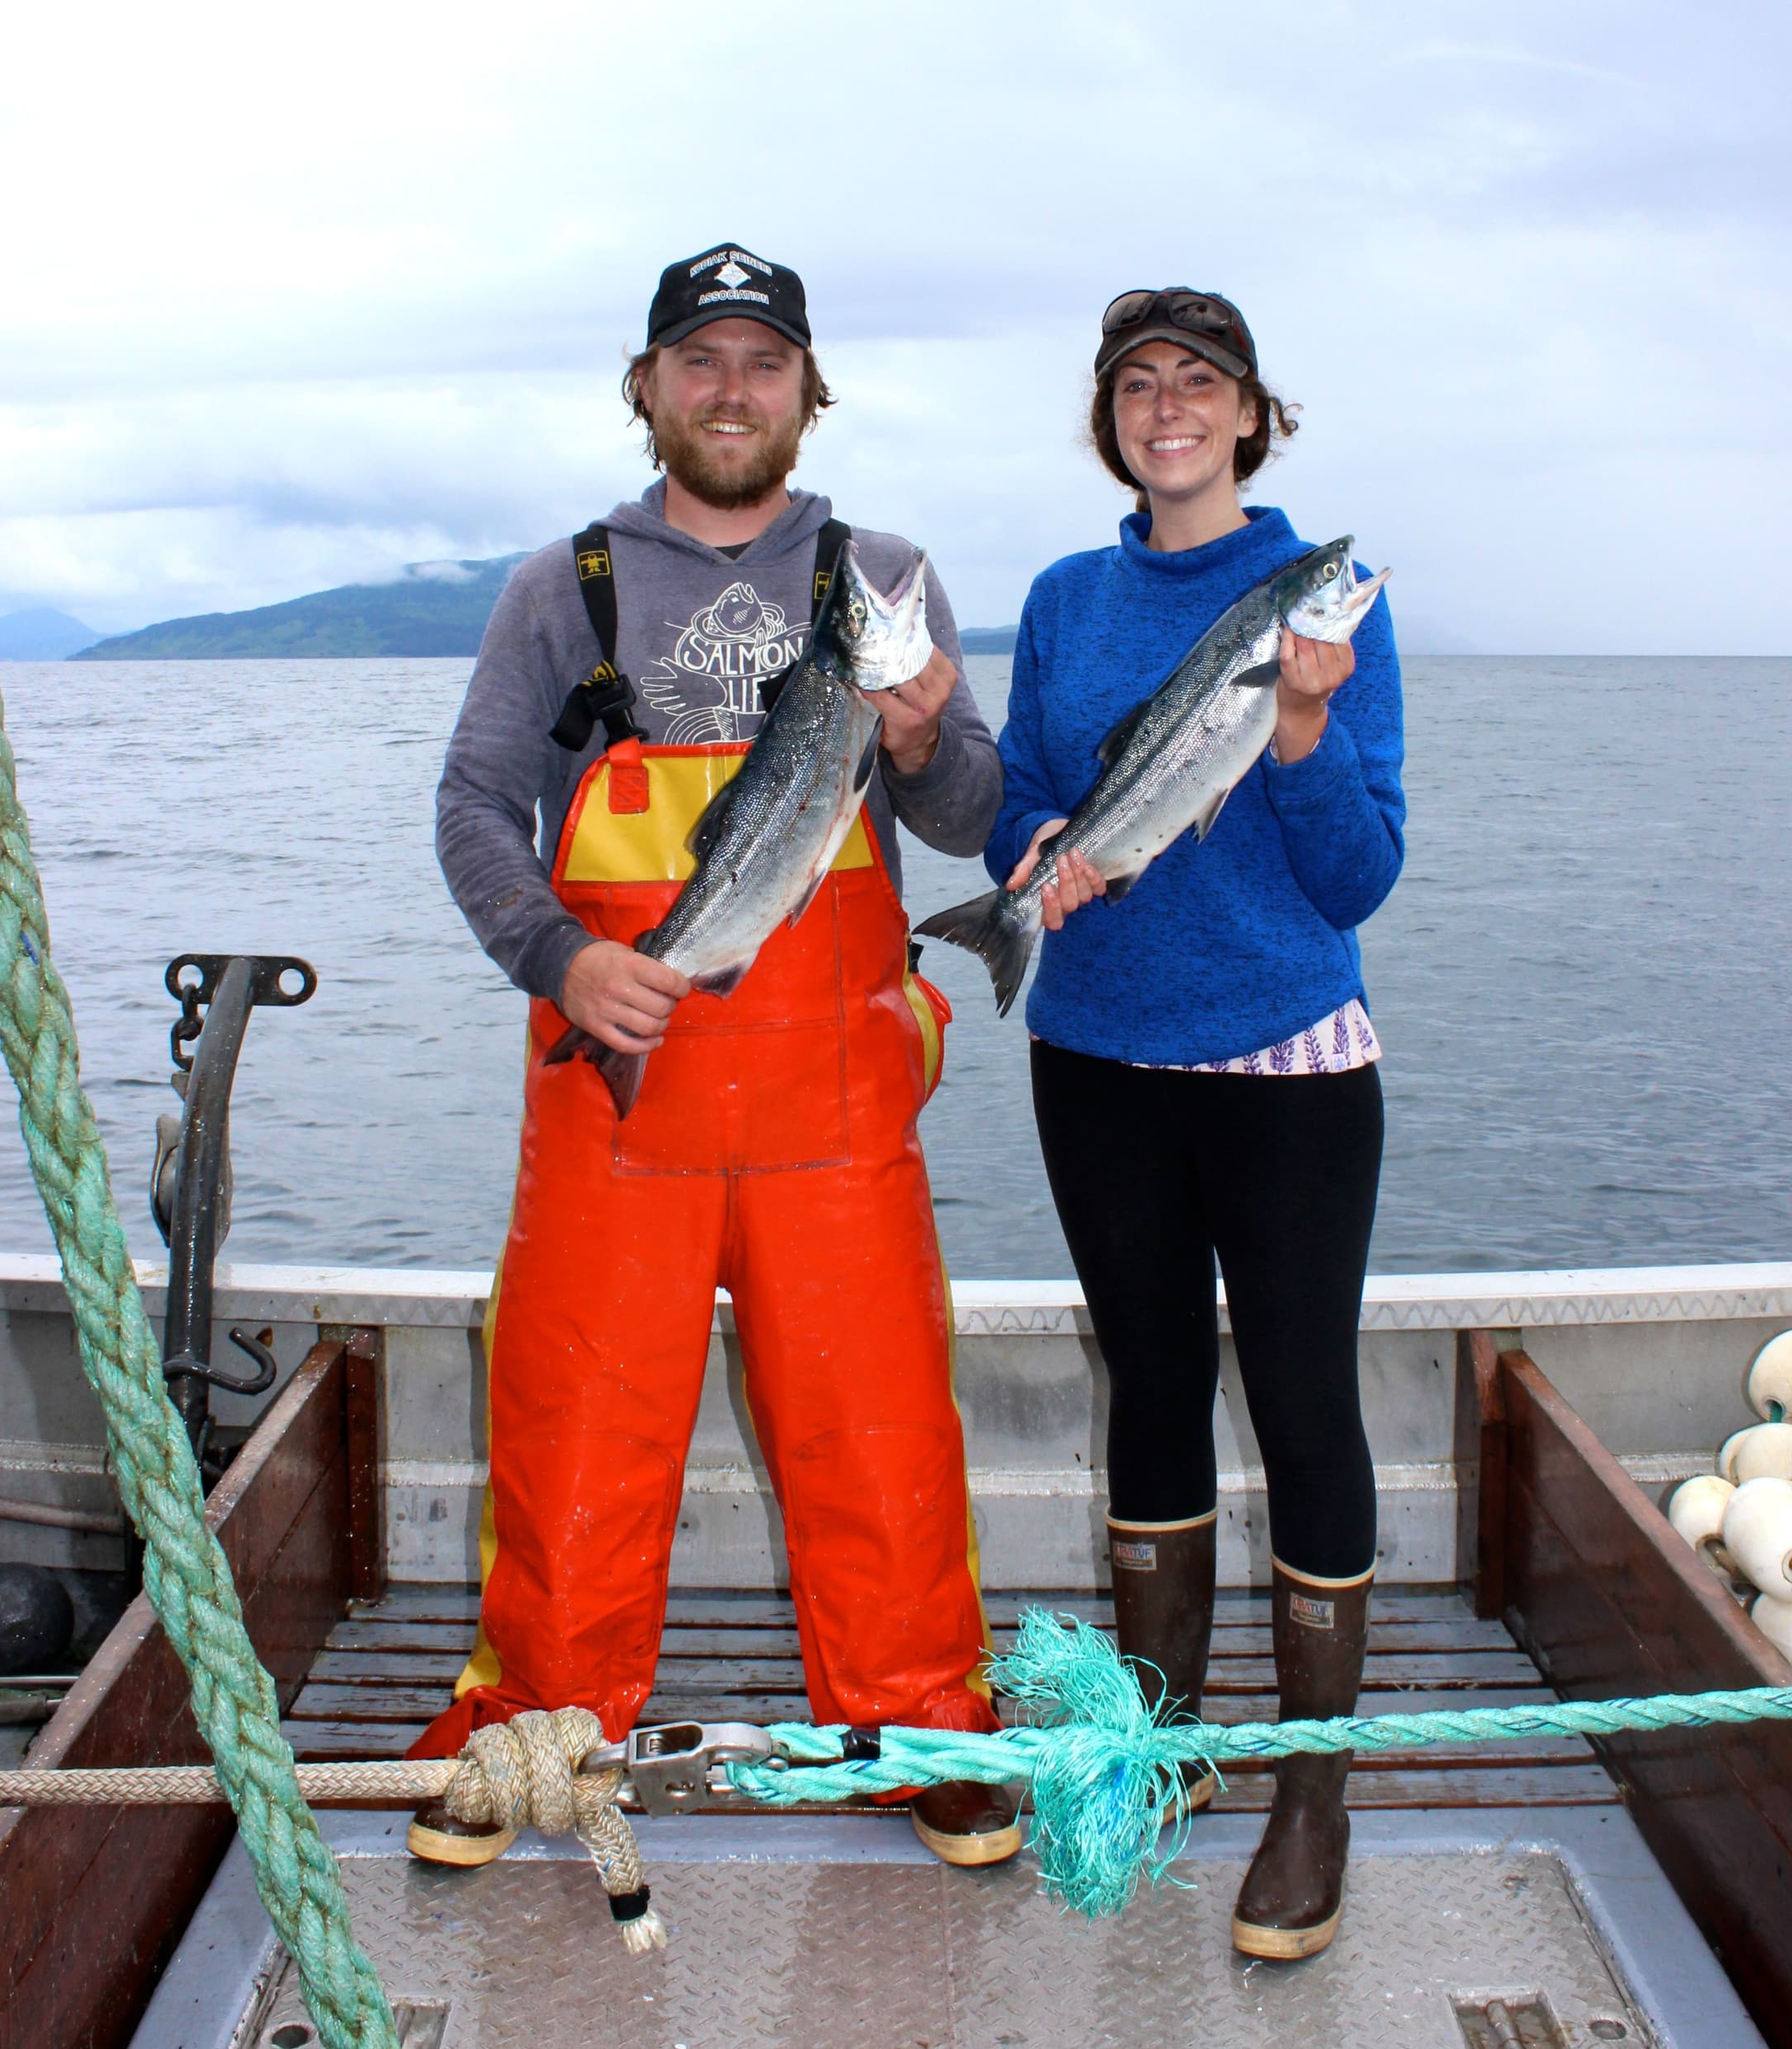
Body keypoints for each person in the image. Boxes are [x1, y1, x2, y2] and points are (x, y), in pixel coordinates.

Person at [417, 241, 1018, 1873]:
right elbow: (473, 806)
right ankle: (536, 1729)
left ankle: (925, 1731)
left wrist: (920, 736)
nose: (732, 389)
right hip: (620, 1093)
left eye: (765, 362)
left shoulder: (884, 576)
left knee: (881, 1438)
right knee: (573, 1436)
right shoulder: (561, 588)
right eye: (701, 359)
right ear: (647, 387)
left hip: (839, 1103)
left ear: (811, 393)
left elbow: (969, 812)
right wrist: (561, 954)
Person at [984, 288, 1405, 1958]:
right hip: (1094, 1057)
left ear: (1252, 415)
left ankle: (1312, 1792)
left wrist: (1298, 730)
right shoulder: (1065, 597)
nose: (1169, 407)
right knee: (1151, 1391)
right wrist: (1033, 855)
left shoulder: (1327, 607)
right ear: (1113, 421)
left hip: (1289, 1063)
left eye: (1200, 382)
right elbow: (1028, 787)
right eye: (1139, 384)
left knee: (1303, 1406)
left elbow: (1357, 875)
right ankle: (1158, 1745)